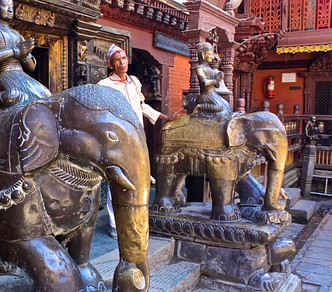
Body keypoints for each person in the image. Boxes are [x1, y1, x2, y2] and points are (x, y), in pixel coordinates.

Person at [98, 44, 180, 239]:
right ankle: (114, 224)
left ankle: (134, 217)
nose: (122, 62)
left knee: (138, 176)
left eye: (124, 58)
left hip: (137, 136)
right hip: (118, 138)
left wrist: (165, 117)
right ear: (111, 64)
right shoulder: (104, 86)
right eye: (117, 59)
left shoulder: (134, 82)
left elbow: (142, 106)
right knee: (116, 179)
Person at [0, 0, 51, 112]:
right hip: (2, 74)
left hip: (21, 75)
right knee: (14, 96)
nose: (10, 9)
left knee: (47, 95)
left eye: (11, 6)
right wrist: (15, 51)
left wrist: (25, 55)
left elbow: (31, 67)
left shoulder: (18, 36)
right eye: (5, 5)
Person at [193, 42, 232, 119]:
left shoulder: (210, 69)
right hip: (206, 95)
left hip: (213, 93)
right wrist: (216, 80)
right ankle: (200, 107)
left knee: (227, 105)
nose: (212, 57)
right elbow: (205, 82)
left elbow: (216, 86)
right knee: (217, 106)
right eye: (210, 54)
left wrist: (219, 78)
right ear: (203, 54)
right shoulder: (200, 68)